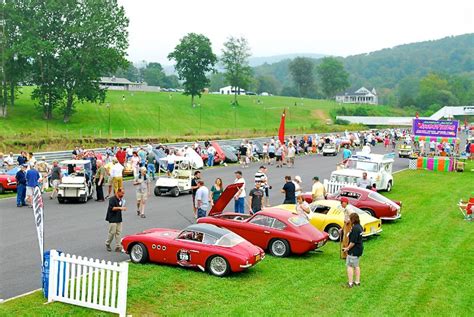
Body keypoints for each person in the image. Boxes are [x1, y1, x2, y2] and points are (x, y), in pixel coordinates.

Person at [342, 213, 364, 288]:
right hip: (359, 248)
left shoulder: (355, 229)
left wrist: (347, 248)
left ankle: (350, 283)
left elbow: (352, 242)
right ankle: (357, 281)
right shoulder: (360, 227)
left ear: (353, 220)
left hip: (353, 250)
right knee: (356, 266)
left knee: (350, 266)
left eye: (350, 219)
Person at [105, 188, 126, 252]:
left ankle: (118, 246)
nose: (123, 194)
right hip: (112, 218)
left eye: (123, 193)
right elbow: (112, 208)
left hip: (118, 217)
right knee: (112, 232)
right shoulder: (112, 199)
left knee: (118, 232)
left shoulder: (121, 200)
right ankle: (107, 243)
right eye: (122, 193)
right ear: (118, 192)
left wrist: (122, 207)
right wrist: (120, 208)